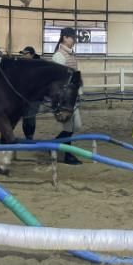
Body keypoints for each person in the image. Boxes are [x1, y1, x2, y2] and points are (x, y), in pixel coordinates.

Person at [51, 27, 83, 165]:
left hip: (72, 97)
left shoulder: (71, 55)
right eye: (72, 38)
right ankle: (67, 155)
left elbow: (75, 76)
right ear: (65, 37)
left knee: (77, 126)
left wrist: (79, 92)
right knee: (69, 128)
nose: (74, 40)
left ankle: (54, 144)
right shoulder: (59, 56)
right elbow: (58, 80)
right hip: (65, 99)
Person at [19, 46, 41, 140]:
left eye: (25, 54)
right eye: (22, 54)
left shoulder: (38, 66)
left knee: (30, 117)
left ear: (32, 54)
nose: (23, 55)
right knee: (25, 118)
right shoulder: (23, 65)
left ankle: (30, 137)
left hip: (34, 96)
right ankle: (27, 137)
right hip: (24, 95)